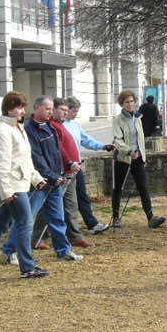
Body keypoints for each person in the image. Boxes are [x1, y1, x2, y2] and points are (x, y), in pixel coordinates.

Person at [0, 91, 50, 279]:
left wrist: (36, 178)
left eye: (23, 106)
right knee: (25, 223)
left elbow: (24, 159)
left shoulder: (17, 128)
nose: (23, 111)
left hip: (20, 183)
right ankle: (27, 267)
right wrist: (5, 191)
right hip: (13, 186)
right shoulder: (2, 131)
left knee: (2, 223)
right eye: (19, 107)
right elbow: (1, 165)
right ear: (9, 108)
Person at [24, 95, 84, 261]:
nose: (50, 112)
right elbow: (36, 157)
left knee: (58, 218)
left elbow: (58, 151)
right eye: (47, 109)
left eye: (51, 109)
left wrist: (68, 164)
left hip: (56, 181)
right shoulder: (30, 130)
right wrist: (51, 176)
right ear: (37, 108)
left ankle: (63, 250)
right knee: (27, 218)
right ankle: (11, 250)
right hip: (40, 182)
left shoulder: (50, 126)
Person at [112, 90, 165, 229]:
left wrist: (142, 156)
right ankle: (116, 218)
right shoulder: (118, 120)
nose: (130, 104)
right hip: (123, 158)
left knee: (143, 187)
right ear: (122, 104)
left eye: (131, 101)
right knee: (118, 188)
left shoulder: (138, 118)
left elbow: (140, 139)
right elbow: (117, 140)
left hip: (138, 158)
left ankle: (151, 218)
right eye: (126, 102)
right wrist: (129, 151)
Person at [64, 96, 112, 234]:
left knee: (82, 196)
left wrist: (102, 146)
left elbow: (86, 140)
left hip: (76, 166)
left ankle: (92, 224)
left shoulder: (75, 125)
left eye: (77, 111)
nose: (76, 114)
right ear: (67, 109)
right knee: (62, 200)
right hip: (64, 167)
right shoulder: (60, 125)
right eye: (74, 111)